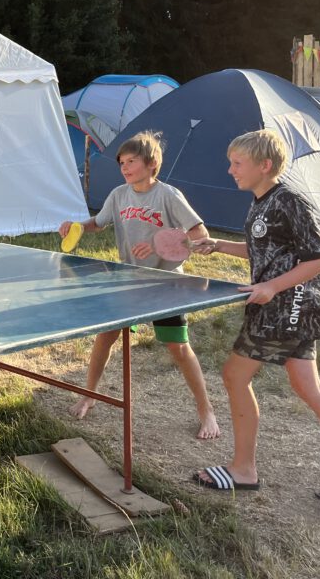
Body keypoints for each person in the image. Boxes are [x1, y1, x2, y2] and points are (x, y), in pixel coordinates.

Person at [190, 130, 320, 505]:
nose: (230, 170)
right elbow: (267, 247)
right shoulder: (262, 201)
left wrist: (272, 287)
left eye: (237, 163)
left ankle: (243, 470)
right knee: (309, 388)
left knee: (235, 375)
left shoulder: (288, 200)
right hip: (289, 308)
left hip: (286, 308)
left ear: (264, 165)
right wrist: (219, 245)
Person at [58, 130, 219, 440]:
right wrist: (76, 226)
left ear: (151, 163)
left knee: (179, 348)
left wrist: (160, 245)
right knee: (105, 337)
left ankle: (206, 409)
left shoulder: (168, 196)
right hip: (129, 280)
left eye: (132, 161)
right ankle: (90, 395)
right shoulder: (119, 195)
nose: (125, 167)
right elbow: (97, 224)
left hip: (166, 283)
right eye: (122, 163)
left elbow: (200, 235)